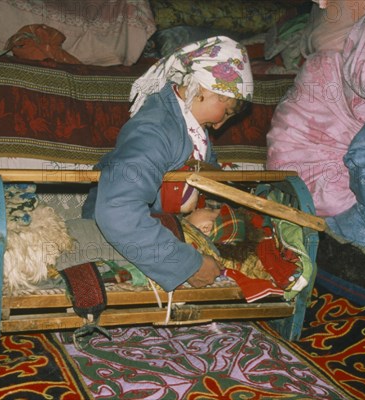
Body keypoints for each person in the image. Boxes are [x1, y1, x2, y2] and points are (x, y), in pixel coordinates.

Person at [81, 36, 254, 292]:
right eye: (226, 113)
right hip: (126, 237)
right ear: (207, 89)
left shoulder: (190, 125)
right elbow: (118, 210)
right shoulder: (155, 131)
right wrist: (187, 264)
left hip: (162, 228)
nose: (220, 125)